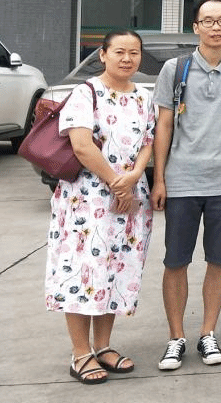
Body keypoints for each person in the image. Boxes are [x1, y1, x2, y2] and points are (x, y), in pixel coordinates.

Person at [151, 0, 221, 370]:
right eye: (208, 20)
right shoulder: (175, 69)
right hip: (181, 180)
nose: (215, 27)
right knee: (175, 261)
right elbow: (164, 125)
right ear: (195, 27)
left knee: (219, 259)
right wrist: (159, 178)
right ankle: (175, 338)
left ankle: (207, 333)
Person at [46, 29, 155, 384]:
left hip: (129, 197)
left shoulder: (144, 96)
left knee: (116, 269)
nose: (127, 58)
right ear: (103, 55)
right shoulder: (85, 92)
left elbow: (148, 142)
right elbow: (81, 145)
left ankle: (103, 346)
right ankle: (80, 353)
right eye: (119, 51)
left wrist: (133, 177)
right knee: (82, 271)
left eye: (134, 52)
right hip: (87, 199)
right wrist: (115, 182)